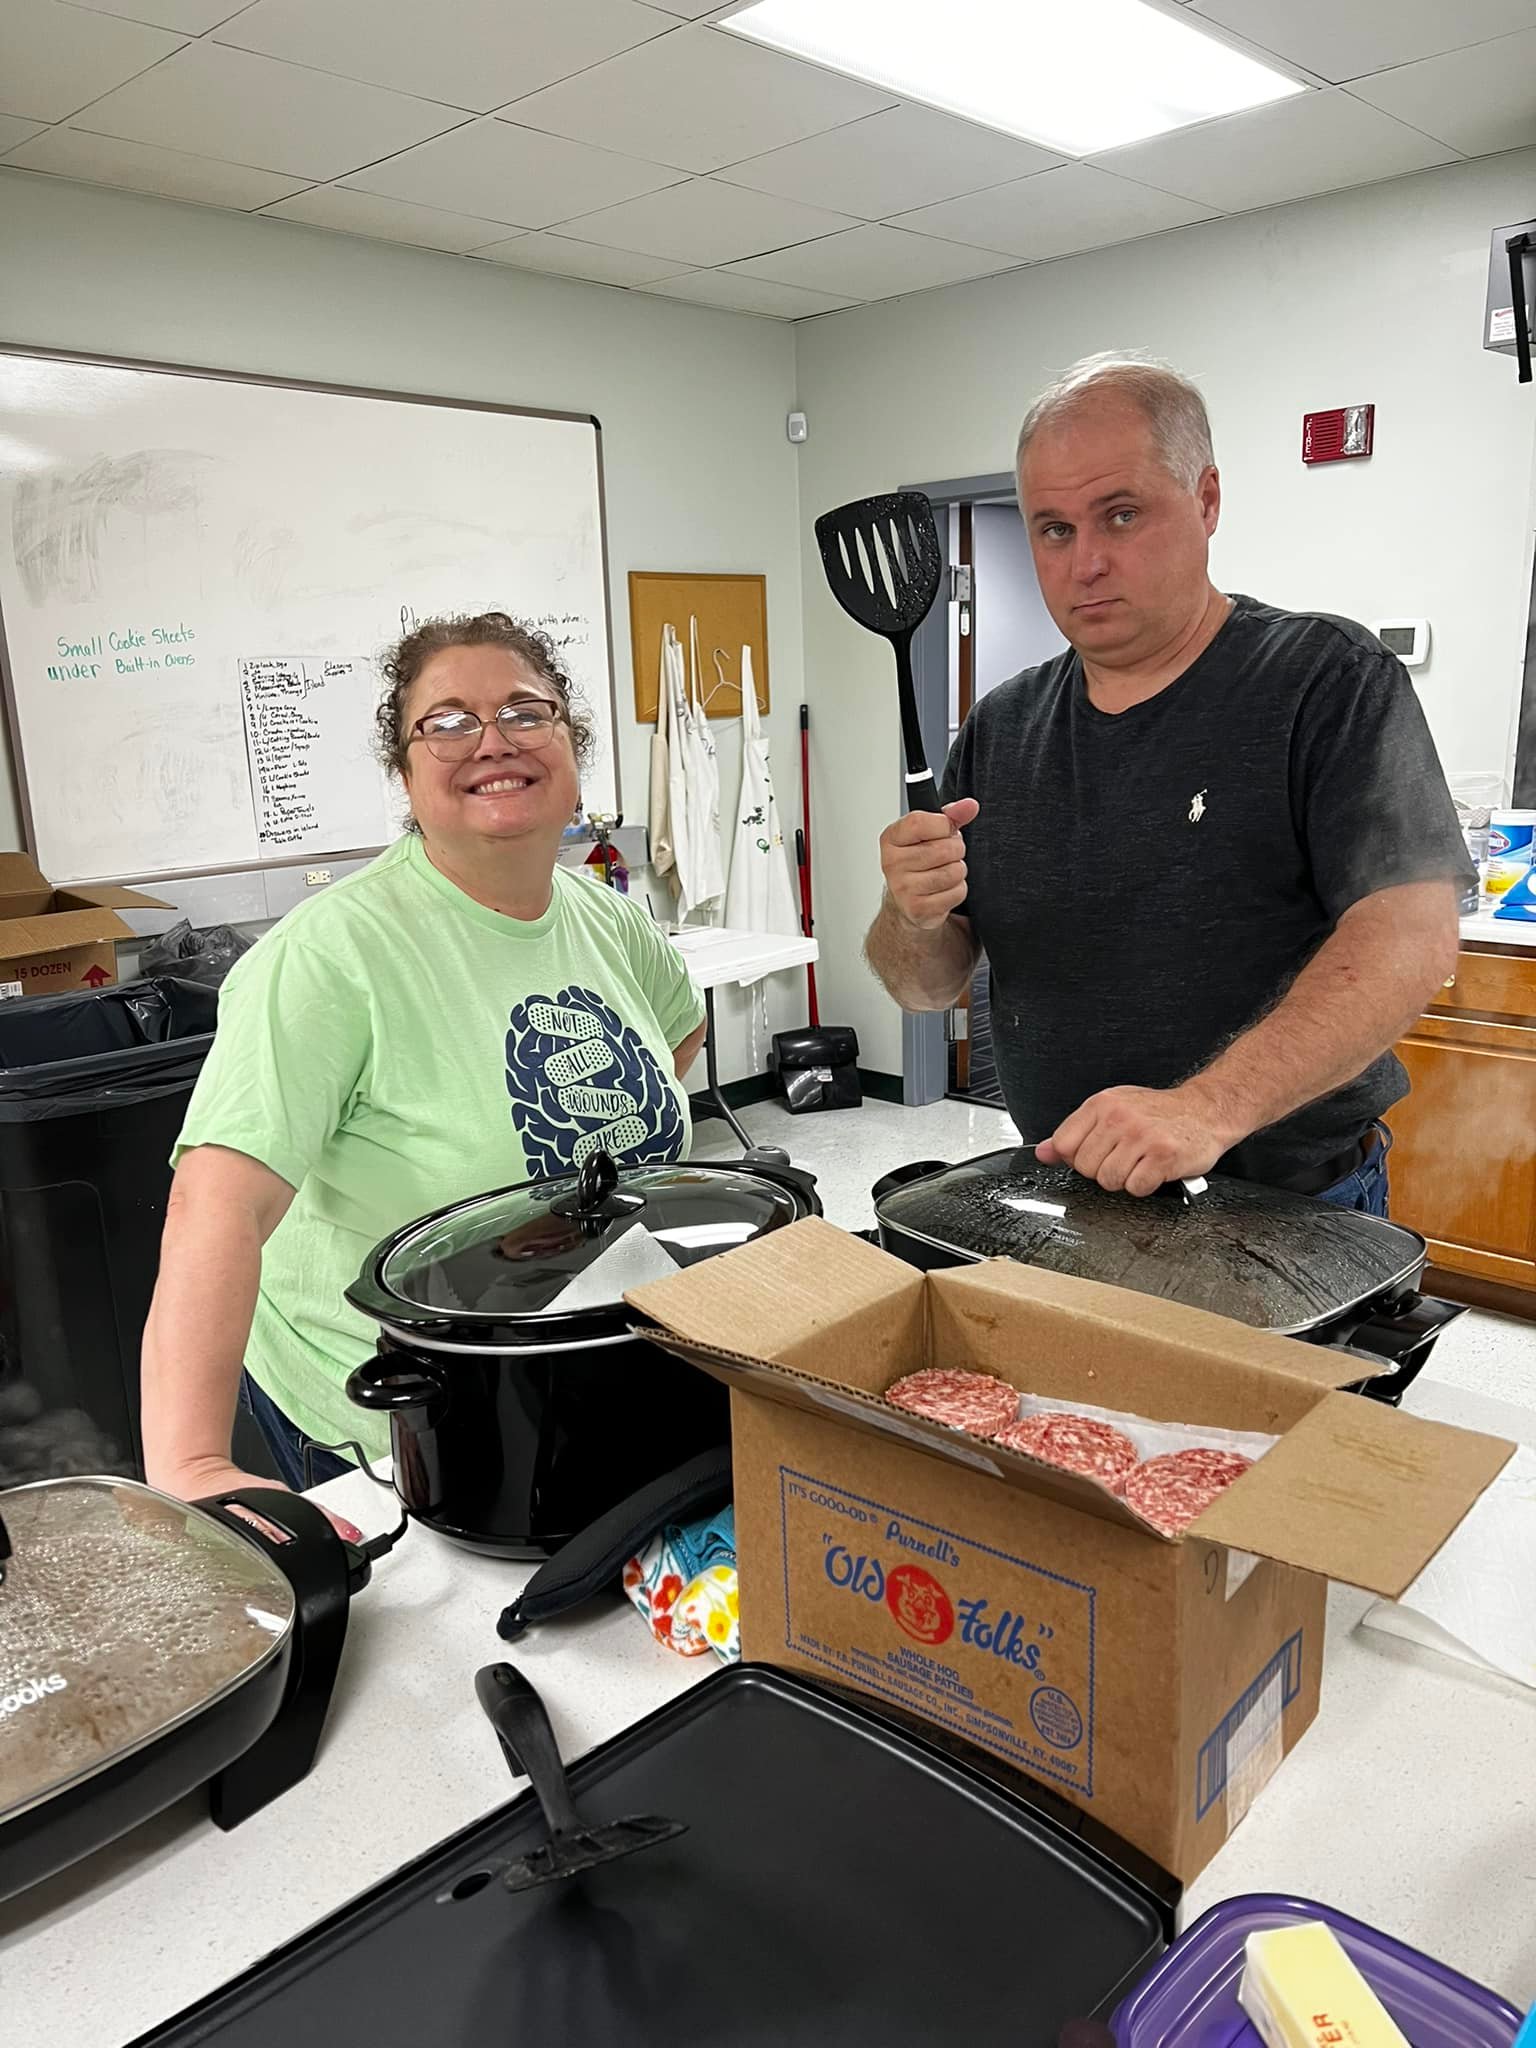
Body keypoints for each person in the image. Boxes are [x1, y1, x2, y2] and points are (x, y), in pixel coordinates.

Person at [866, 353, 1472, 1207]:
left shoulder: (1323, 681)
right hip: (1070, 1193)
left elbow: (1411, 937)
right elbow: (925, 986)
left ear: (1208, 500)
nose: (1086, 563)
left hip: (1286, 1205)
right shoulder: (1001, 728)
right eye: (1054, 529)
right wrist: (910, 912)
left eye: (1121, 515)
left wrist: (1206, 1110)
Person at [142, 612, 707, 1513]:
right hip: (393, 1415)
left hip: (575, 1368)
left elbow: (677, 1037)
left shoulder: (607, 919)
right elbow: (215, 1208)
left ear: (571, 745)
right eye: (446, 722)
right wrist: (191, 1468)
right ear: (405, 773)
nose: (493, 742)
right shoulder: (330, 955)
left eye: (528, 711)